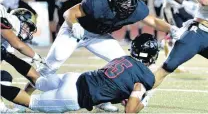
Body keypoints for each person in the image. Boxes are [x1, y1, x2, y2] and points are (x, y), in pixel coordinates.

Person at [25, 0, 177, 112]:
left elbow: (153, 21)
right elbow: (69, 13)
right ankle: (24, 97)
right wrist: (74, 25)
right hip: (76, 31)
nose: (130, 4)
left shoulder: (135, 7)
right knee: (51, 64)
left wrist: (172, 29)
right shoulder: (98, 2)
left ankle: (103, 99)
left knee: (124, 64)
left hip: (98, 35)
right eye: (125, 0)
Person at [2, 33, 159, 113]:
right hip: (76, 95)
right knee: (32, 102)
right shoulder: (145, 78)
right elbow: (130, 111)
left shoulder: (123, 59)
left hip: (75, 78)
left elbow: (115, 84)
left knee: (38, 80)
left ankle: (7, 55)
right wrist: (143, 102)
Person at [0, 6, 44, 112]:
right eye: (28, 27)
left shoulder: (6, 41)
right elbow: (18, 45)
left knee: (4, 76)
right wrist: (36, 57)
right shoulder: (11, 21)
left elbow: (12, 59)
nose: (28, 32)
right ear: (21, 19)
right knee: (4, 78)